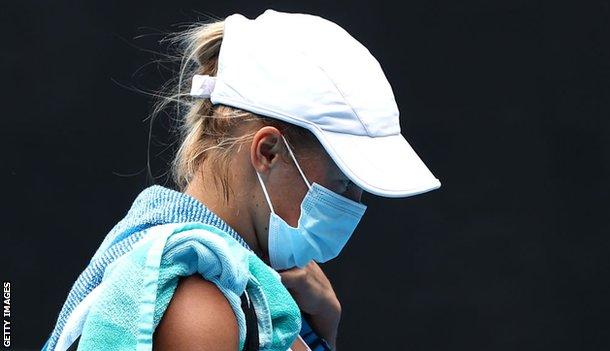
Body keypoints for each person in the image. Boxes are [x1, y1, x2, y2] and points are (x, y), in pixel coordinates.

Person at [42, 9, 441, 351]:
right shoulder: (199, 304)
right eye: (342, 179)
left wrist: (322, 332)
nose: (354, 200)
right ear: (267, 151)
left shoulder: (249, 290)